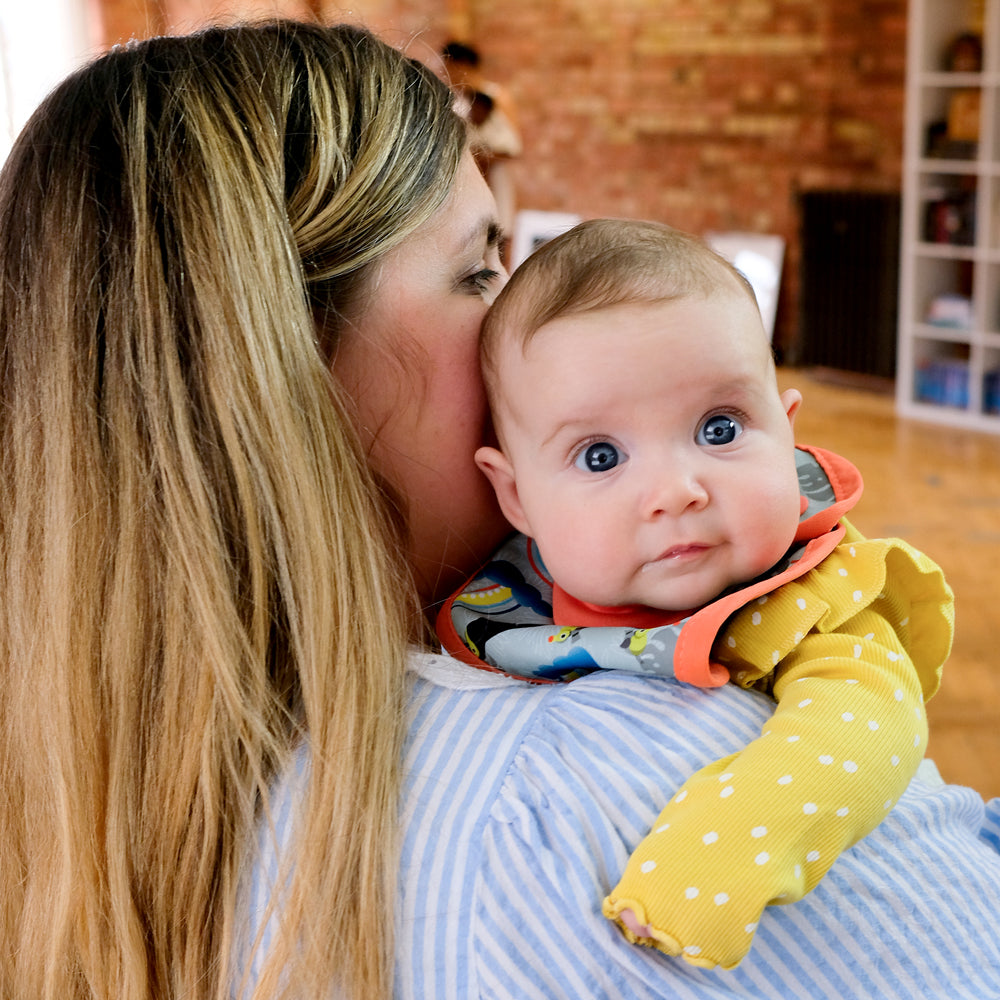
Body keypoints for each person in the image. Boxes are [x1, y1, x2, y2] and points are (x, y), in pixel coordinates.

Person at [3, 20, 999, 1000]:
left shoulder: (75, 796)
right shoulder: (619, 788)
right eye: (480, 270)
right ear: (283, 372)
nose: (524, 323)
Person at [440, 218, 953, 968]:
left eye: (719, 429)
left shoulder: (813, 595)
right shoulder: (503, 592)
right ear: (516, 497)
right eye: (601, 455)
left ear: (785, 429)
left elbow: (867, 727)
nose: (676, 492)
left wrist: (715, 860)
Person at [441, 40, 522, 253]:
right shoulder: (450, 98)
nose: (446, 71)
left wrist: (478, 155)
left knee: (498, 238)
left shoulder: (496, 96)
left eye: (450, 65)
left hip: (494, 177)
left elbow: (512, 147)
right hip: (460, 178)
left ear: (463, 65)